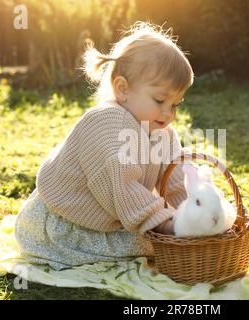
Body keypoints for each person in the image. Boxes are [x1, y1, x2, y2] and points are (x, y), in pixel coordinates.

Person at [14, 21, 194, 270]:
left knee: (178, 237)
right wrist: (170, 225)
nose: (168, 113)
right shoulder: (107, 122)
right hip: (64, 223)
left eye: (175, 104)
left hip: (115, 215)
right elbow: (124, 185)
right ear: (122, 89)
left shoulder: (163, 133)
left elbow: (175, 179)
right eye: (160, 99)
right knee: (156, 243)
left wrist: (197, 213)